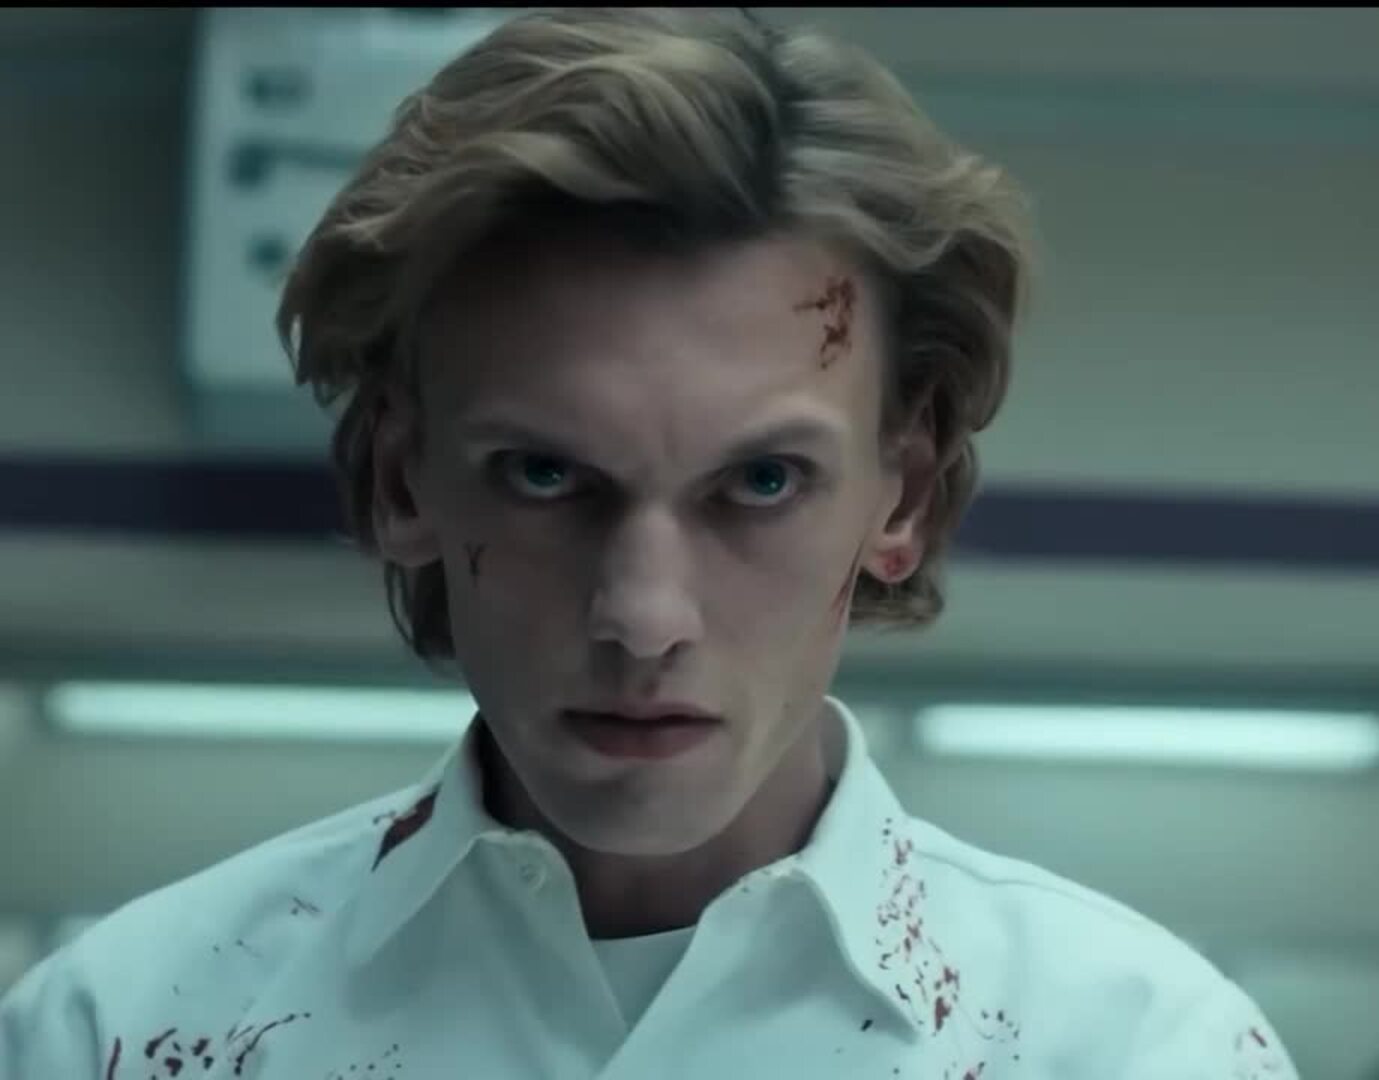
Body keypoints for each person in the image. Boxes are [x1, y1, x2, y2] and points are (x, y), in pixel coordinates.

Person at [0, 8, 1298, 1077]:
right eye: (547, 474)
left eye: (763, 481)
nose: (643, 617)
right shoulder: (118, 1036)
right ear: (404, 479)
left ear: (899, 500)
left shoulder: (1130, 1050)